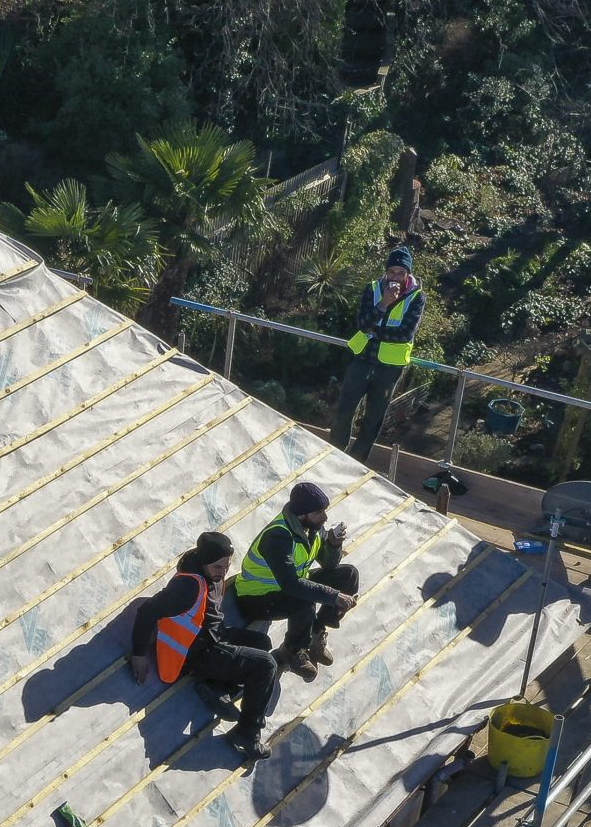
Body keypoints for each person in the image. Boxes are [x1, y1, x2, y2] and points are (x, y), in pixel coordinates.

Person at [128, 531, 278, 766]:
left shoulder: (209, 573)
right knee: (265, 665)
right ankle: (247, 734)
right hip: (200, 651)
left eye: (227, 565)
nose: (224, 572)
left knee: (262, 644)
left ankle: (216, 687)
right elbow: (148, 611)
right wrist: (138, 654)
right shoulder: (188, 586)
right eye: (219, 567)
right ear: (205, 561)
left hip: (214, 635)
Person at [233, 480, 360, 681]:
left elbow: (328, 565)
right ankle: (292, 650)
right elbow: (291, 584)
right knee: (303, 598)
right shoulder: (278, 536)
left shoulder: (313, 529)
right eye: (319, 512)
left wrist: (333, 545)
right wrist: (334, 596)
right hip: (256, 597)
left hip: (285, 587)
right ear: (303, 513)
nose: (325, 517)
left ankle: (316, 633)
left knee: (348, 574)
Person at [326, 247, 425, 459]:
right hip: (362, 359)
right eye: (392, 271)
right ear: (386, 272)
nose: (395, 277)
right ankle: (334, 454)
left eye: (400, 272)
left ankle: (357, 460)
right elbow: (362, 324)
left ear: (408, 274)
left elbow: (405, 334)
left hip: (389, 368)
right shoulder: (373, 289)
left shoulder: (416, 297)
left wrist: (375, 330)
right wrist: (383, 304)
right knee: (345, 409)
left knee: (373, 418)